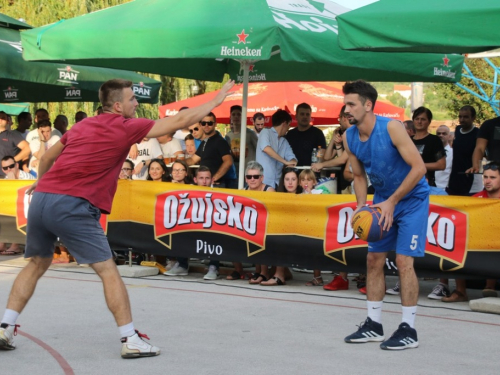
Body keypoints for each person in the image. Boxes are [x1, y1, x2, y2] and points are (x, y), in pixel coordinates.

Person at [0, 78, 234, 356]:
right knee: (109, 271)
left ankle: (5, 326)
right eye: (133, 99)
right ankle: (130, 339)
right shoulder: (125, 126)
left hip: (42, 199)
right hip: (72, 204)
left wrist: (43, 182)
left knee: (37, 263)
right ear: (117, 105)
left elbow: (49, 157)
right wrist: (215, 101)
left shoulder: (82, 125)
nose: (137, 103)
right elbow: (179, 120)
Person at [342, 80, 429, 351]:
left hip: (411, 200)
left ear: (368, 105)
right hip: (381, 201)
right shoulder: (349, 136)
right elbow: (358, 175)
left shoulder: (391, 127)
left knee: (404, 262)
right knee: (373, 259)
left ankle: (409, 329)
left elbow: (419, 169)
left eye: (351, 104)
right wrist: (360, 206)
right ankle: (374, 324)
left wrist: (392, 201)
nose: (346, 109)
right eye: (345, 103)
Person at [429, 106, 482, 300]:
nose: (462, 120)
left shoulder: (478, 134)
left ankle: (466, 286)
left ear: (473, 118)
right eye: (460, 116)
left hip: (473, 186)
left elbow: (479, 153)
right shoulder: (457, 132)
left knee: (466, 237)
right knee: (449, 235)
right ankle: (446, 284)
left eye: (466, 117)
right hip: (454, 186)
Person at [441, 161, 500, 302]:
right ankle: (461, 292)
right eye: (485, 177)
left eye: (492, 178)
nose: (487, 181)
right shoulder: (475, 200)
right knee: (455, 241)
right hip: (478, 241)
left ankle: (490, 287)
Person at [234, 161, 275, 285]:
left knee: (259, 233)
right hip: (250, 226)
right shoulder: (243, 191)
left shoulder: (269, 191)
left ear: (261, 178)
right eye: (249, 177)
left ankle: (263, 272)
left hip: (267, 226)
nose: (252, 179)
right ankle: (247, 271)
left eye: (256, 177)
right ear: (246, 179)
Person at [186, 112, 234, 188]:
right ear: (201, 125)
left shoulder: (220, 141)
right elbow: (192, 160)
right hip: (205, 184)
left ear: (215, 124)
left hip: (215, 185)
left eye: (210, 123)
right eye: (204, 123)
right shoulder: (205, 141)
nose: (206, 125)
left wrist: (214, 178)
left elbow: (228, 161)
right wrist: (179, 162)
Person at [255, 109, 297, 189]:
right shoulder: (265, 132)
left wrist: (293, 162)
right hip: (262, 183)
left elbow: (291, 156)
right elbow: (266, 148)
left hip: (277, 183)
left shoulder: (284, 141)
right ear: (284, 123)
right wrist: (285, 161)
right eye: (289, 125)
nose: (288, 128)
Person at [411, 107, 445, 188]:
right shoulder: (407, 140)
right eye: (417, 119)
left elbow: (441, 165)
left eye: (423, 119)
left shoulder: (434, 140)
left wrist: (419, 166)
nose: (419, 122)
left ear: (429, 121)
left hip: (427, 184)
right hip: (407, 185)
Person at [225, 105, 258, 176]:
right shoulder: (228, 136)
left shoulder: (250, 134)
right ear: (230, 117)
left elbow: (259, 150)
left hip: (248, 173)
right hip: (234, 173)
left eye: (239, 114)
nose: (236, 117)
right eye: (233, 114)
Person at [0, 111, 30, 179]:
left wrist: (12, 161)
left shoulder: (12, 135)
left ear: (7, 121)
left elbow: (27, 148)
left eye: (3, 118)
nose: (1, 119)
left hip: (7, 175)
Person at [434, 125, 453, 192]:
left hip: (444, 189)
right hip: (430, 188)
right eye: (438, 133)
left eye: (444, 133)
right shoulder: (431, 151)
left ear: (449, 136)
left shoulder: (453, 153)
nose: (441, 135)